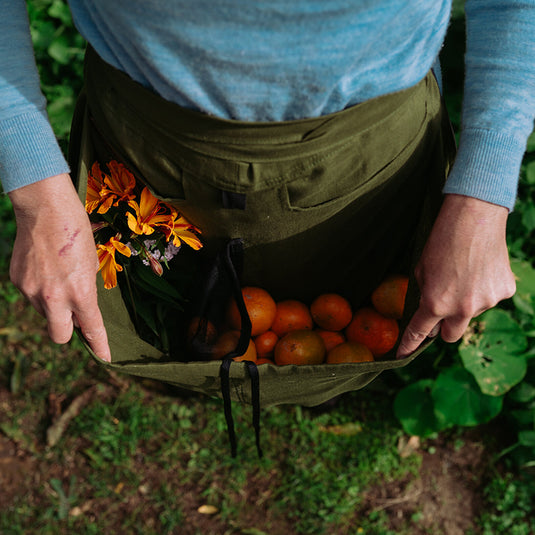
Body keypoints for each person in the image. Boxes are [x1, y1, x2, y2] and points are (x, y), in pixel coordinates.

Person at [1, 0, 533, 365]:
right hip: (147, 138)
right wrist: (35, 189)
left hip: (370, 149)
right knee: (177, 323)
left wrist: (484, 194)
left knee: (355, 313)